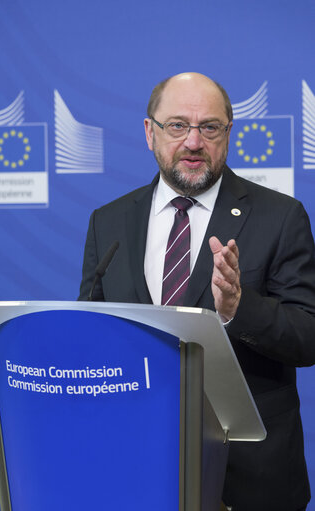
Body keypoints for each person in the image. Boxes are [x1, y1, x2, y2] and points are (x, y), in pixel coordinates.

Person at [78, 72, 315, 511]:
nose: (193, 142)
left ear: (228, 133)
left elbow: (308, 334)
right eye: (177, 126)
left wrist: (239, 308)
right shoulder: (107, 222)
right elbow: (90, 329)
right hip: (136, 466)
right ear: (150, 133)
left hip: (249, 478)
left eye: (209, 127)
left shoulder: (280, 216)